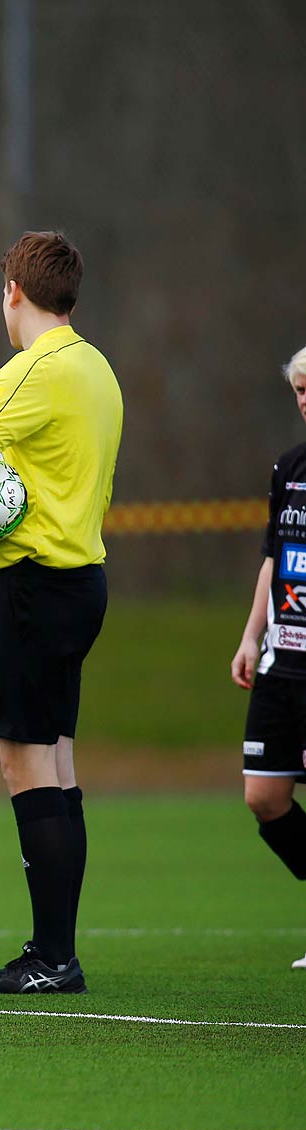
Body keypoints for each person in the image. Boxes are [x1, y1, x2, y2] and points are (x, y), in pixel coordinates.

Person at [0, 232, 122, 995]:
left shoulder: (29, 371)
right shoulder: (96, 368)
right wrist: (1, 546)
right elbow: (57, 484)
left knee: (23, 760)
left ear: (13, 291)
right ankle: (56, 949)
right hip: (75, 579)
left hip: (37, 592)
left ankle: (52, 958)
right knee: (56, 759)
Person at [231, 343, 306, 969]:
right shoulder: (289, 468)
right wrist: (251, 635)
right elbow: (273, 560)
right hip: (284, 661)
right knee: (265, 796)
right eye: (300, 392)